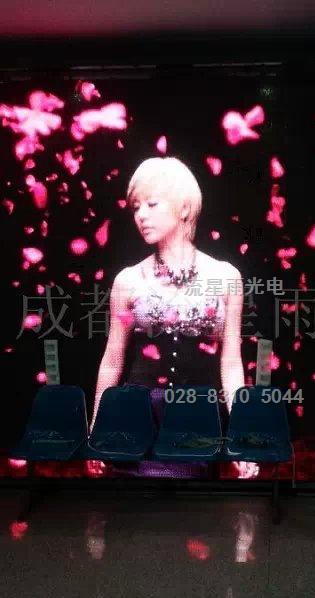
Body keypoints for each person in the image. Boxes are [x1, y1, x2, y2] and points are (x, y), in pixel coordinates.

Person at [91, 158, 246, 473]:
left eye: (151, 204)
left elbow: (231, 363)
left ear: (184, 208)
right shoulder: (128, 280)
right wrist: (97, 426)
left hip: (197, 421)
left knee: (192, 501)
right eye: (136, 207)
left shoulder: (226, 277)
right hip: (136, 419)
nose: (141, 215)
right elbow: (112, 360)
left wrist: (242, 432)